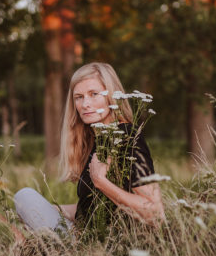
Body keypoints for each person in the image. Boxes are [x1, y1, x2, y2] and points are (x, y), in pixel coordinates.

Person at [14, 62, 164, 233]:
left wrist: (102, 183)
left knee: (24, 195)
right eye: (79, 97)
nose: (85, 104)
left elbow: (155, 212)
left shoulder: (127, 136)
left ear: (111, 96)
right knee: (25, 202)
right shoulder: (96, 140)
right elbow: (89, 209)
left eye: (94, 94)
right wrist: (40, 211)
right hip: (84, 235)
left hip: (106, 245)